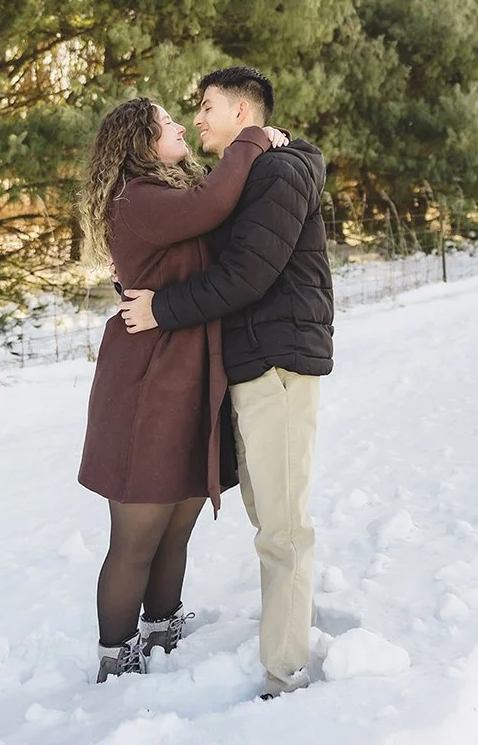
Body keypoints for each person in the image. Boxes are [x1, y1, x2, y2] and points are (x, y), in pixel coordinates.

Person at [120, 67, 334, 698]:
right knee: (268, 515)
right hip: (254, 362)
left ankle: (284, 672)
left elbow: (246, 276)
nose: (199, 118)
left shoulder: (277, 172)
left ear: (243, 112)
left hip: (280, 362)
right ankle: (285, 645)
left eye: (208, 106)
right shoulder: (251, 174)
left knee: (283, 526)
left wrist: (161, 308)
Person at [77, 96, 286, 681]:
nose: (180, 127)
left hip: (192, 372)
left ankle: (162, 627)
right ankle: (115, 659)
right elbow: (210, 203)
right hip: (147, 378)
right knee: (137, 534)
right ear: (139, 142)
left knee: (178, 521)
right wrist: (252, 137)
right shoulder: (137, 199)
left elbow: (220, 217)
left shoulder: (169, 192)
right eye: (168, 122)